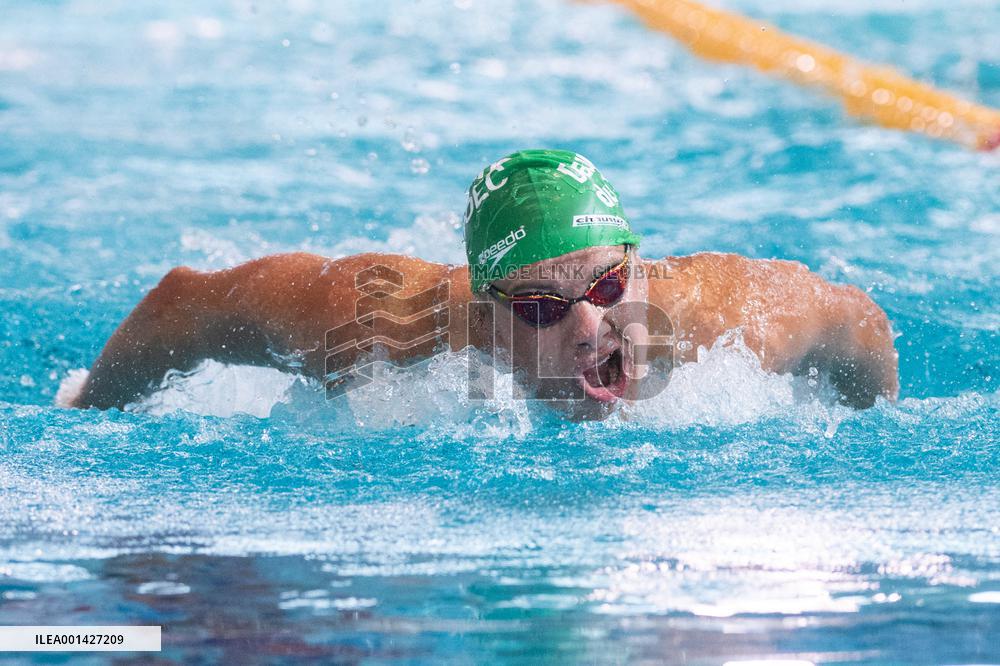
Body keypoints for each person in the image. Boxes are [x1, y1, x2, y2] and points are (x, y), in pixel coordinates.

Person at [69, 149, 898, 418]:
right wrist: (81, 420)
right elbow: (184, 303)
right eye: (541, 305)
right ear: (484, 307)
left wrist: (873, 436)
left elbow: (857, 321)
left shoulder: (719, 320)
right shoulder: (373, 327)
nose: (588, 329)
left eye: (607, 288)